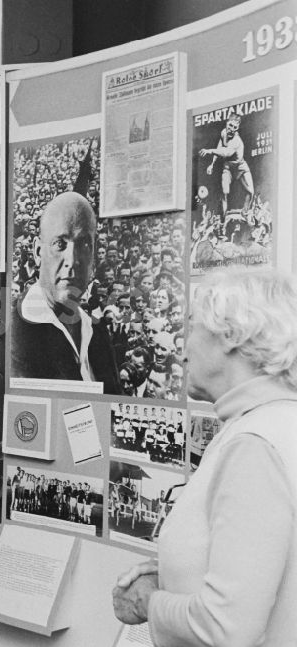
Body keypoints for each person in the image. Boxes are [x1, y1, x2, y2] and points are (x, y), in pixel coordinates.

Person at [112, 270, 297, 645]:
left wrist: (151, 601)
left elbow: (226, 629)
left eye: (193, 327)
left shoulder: (254, 445)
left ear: (231, 334)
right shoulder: (265, 424)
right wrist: (176, 576)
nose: (182, 350)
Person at [10, 192, 120, 393]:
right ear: (38, 252)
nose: (73, 260)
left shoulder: (98, 333)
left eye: (84, 244)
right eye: (60, 244)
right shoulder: (14, 333)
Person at [199, 114, 254, 217]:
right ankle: (223, 219)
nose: (232, 129)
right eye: (230, 125)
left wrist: (209, 151)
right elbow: (219, 147)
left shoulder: (236, 141)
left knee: (251, 192)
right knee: (225, 192)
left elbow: (226, 153)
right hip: (228, 167)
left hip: (240, 167)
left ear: (237, 128)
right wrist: (212, 164)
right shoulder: (223, 133)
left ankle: (245, 212)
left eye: (235, 127)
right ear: (226, 123)